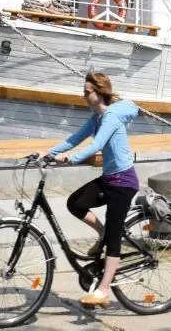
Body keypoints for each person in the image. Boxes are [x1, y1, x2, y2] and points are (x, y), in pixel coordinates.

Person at [44, 71, 141, 308]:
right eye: (84, 91)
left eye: (87, 92)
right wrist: (48, 153)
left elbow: (96, 145)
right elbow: (73, 139)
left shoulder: (109, 118)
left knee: (114, 239)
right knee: (75, 203)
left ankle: (104, 289)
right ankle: (102, 233)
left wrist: (70, 159)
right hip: (109, 179)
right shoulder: (95, 118)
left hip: (124, 184)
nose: (83, 95)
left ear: (99, 93)